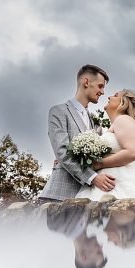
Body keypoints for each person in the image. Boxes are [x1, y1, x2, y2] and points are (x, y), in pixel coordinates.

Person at [38, 65, 116, 202]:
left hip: (88, 198)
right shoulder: (59, 112)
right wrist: (92, 178)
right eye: (100, 86)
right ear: (86, 82)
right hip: (60, 195)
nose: (102, 92)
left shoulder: (95, 122)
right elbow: (62, 151)